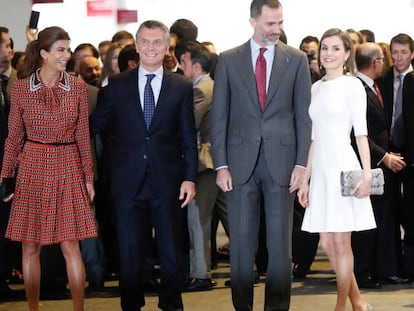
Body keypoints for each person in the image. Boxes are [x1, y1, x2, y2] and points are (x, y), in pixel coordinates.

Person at [90, 20, 197, 311]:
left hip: (169, 181)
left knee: (171, 251)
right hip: (126, 182)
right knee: (129, 252)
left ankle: (171, 303)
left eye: (157, 43)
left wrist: (190, 178)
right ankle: (131, 304)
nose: (151, 48)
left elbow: (188, 136)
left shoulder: (181, 87)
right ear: (136, 47)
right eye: (145, 42)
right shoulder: (117, 85)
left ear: (166, 48)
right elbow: (94, 126)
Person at [210, 0, 312, 309]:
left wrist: (300, 164)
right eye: (270, 23)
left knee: (281, 247)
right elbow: (219, 117)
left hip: (282, 164)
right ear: (253, 21)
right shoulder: (228, 60)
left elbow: (303, 116)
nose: (276, 29)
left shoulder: (296, 60)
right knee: (241, 245)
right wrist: (221, 165)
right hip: (239, 165)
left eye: (279, 22)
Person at [0, 26, 97, 311]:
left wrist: (88, 177)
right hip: (31, 166)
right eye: (61, 50)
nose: (67, 55)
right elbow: (14, 138)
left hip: (67, 164)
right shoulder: (21, 88)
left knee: (70, 245)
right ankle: (33, 308)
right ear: (43, 53)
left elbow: (82, 135)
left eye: (68, 49)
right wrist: (5, 175)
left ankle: (78, 308)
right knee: (30, 246)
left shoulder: (77, 86)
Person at [298, 28, 376, 311]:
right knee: (329, 245)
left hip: (343, 169)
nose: (328, 53)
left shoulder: (352, 85)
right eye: (324, 48)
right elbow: (314, 138)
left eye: (335, 48)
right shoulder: (315, 88)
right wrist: (306, 179)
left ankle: (340, 307)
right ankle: (358, 303)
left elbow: (361, 135)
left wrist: (367, 174)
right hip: (320, 171)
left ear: (346, 54)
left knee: (342, 245)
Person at [178, 40, 217, 292]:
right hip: (216, 161)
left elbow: (188, 124)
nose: (181, 68)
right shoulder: (213, 85)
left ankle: (200, 273)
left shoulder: (201, 89)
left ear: (197, 65)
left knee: (198, 218)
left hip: (204, 161)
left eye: (184, 63)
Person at [378, 33, 414, 282]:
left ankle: (411, 266)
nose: (399, 57)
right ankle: (392, 266)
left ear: (412, 54)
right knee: (388, 210)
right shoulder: (382, 80)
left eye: (404, 52)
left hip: (412, 156)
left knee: (412, 212)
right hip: (387, 153)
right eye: (395, 52)